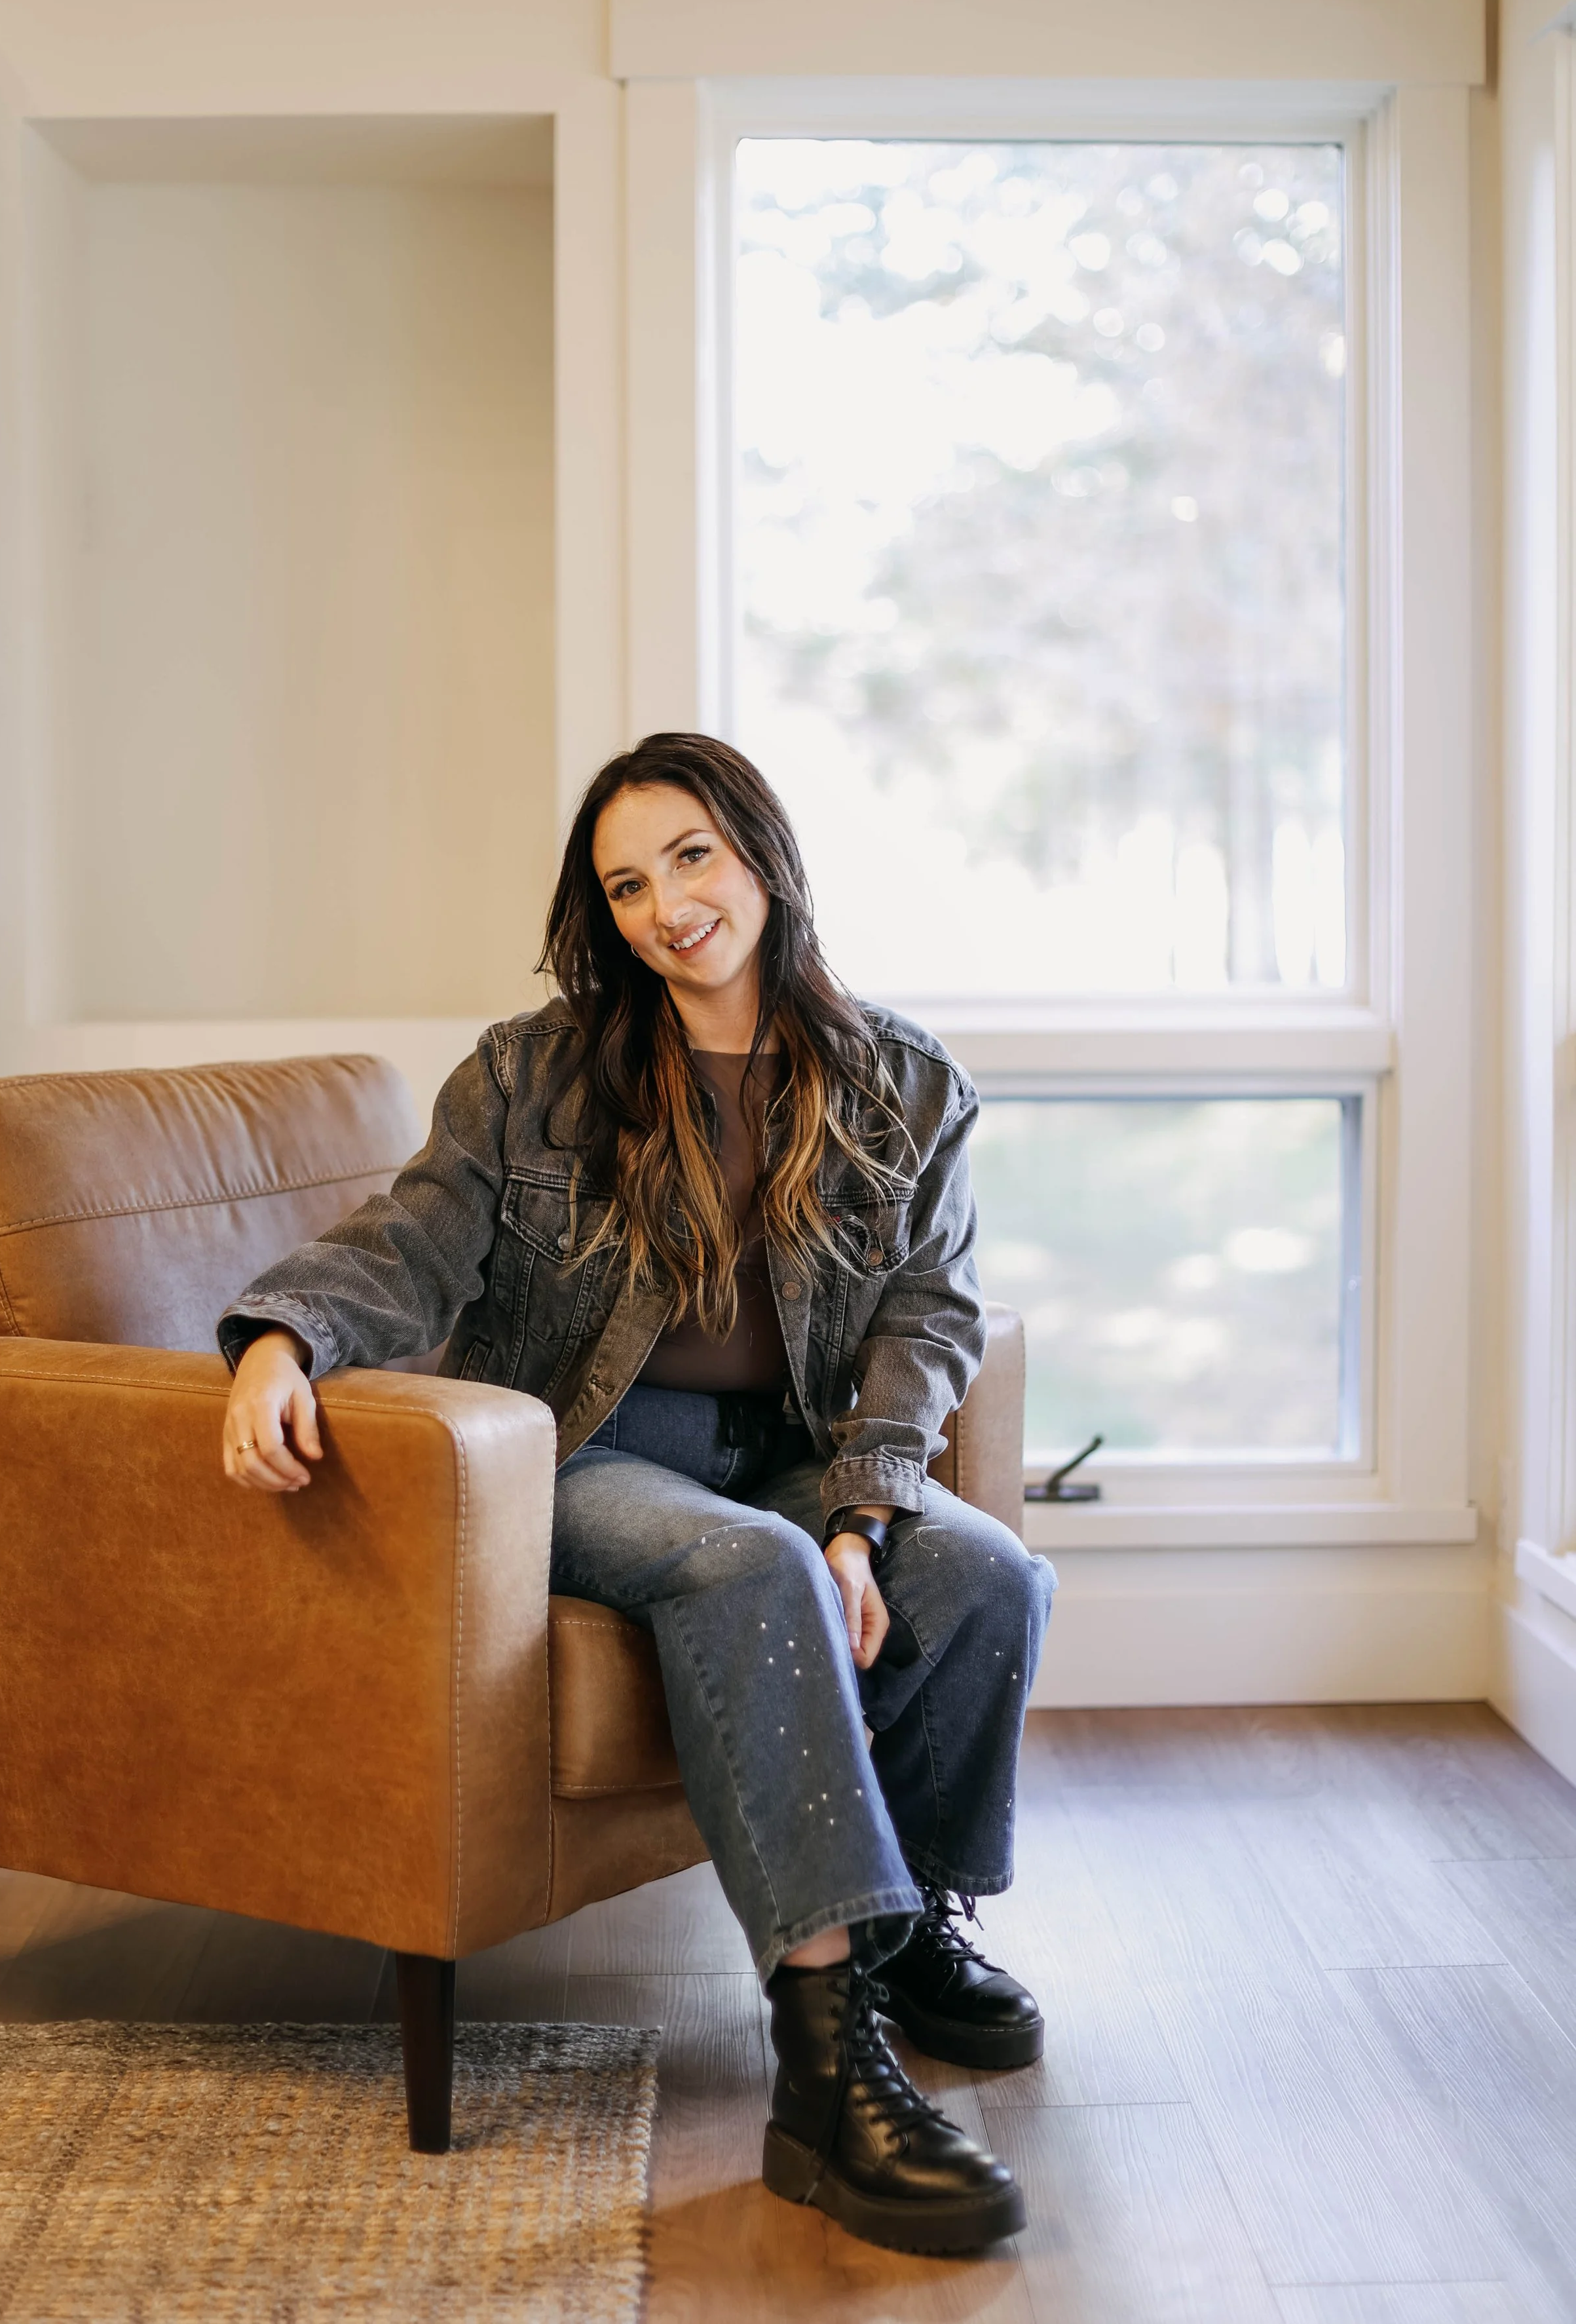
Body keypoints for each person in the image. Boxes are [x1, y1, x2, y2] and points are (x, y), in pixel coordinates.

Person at [219, 732, 1057, 2256]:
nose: (666, 907)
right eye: (624, 886)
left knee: (988, 1572)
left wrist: (861, 1515)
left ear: (761, 856)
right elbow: (412, 1241)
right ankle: (823, 2069)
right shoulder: (533, 1073)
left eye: (689, 858)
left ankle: (909, 1932)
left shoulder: (905, 1082)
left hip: (792, 1446)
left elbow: (924, 1316)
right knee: (749, 1566)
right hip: (586, 1450)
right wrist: (284, 1336)